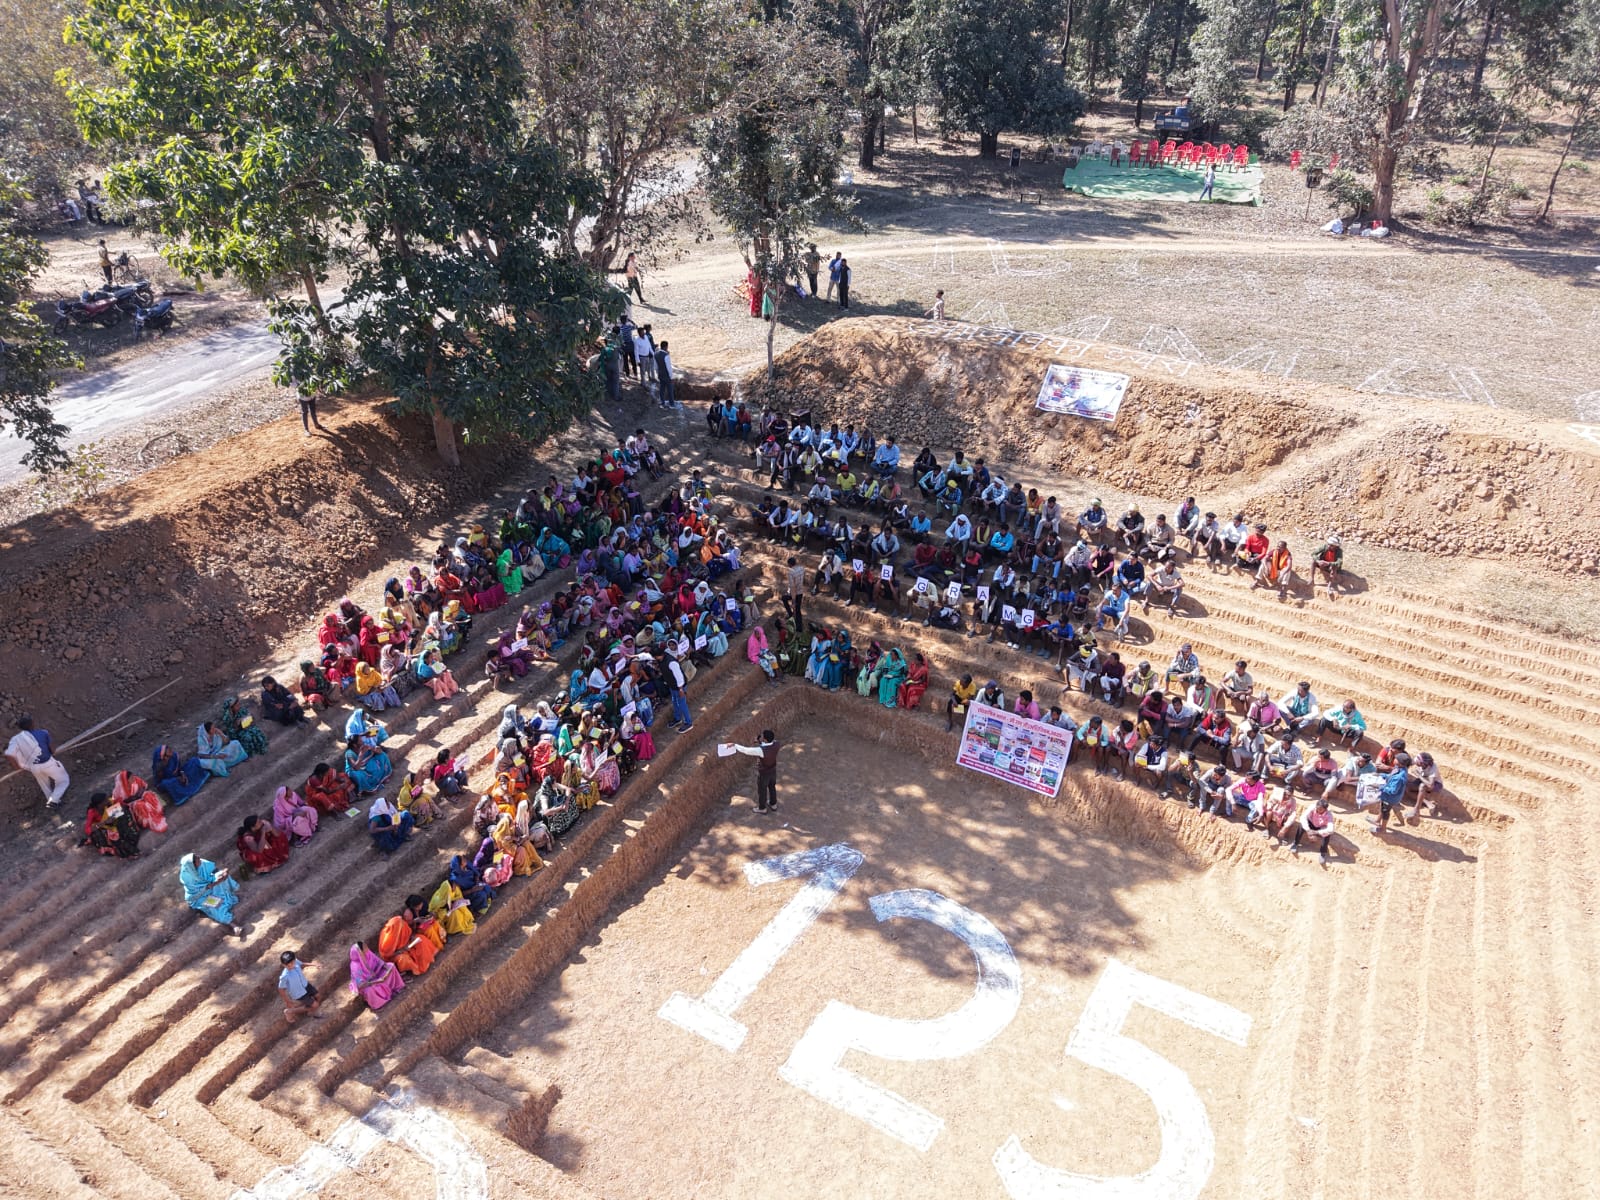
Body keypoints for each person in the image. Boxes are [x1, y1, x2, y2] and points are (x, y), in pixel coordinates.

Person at [6, 714, 70, 809]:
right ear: (32, 724)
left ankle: (53, 802)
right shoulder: (43, 733)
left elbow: (8, 754)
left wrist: (17, 766)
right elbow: (53, 750)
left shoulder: (15, 739)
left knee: (45, 786)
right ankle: (54, 800)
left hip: (34, 767)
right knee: (64, 780)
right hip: (47, 763)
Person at [179, 852, 242, 934]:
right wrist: (215, 883)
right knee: (214, 905)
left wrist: (224, 872)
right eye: (197, 860)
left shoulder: (203, 863)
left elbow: (216, 871)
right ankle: (233, 925)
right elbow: (196, 893)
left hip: (211, 885)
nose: (200, 859)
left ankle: (230, 896)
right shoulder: (188, 878)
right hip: (200, 897)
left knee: (220, 874)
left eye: (198, 857)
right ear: (192, 866)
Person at [729, 730, 782, 813]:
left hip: (764, 773)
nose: (760, 737)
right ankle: (773, 804)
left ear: (765, 739)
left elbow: (746, 750)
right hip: (773, 771)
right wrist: (760, 742)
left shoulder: (761, 750)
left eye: (762, 736)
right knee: (772, 787)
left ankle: (762, 808)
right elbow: (768, 746)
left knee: (762, 790)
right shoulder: (777, 744)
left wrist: (734, 745)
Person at [80, 793, 141, 859]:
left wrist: (114, 815)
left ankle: (130, 836)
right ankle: (123, 851)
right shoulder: (92, 812)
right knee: (109, 836)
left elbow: (122, 805)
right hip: (104, 828)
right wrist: (104, 822)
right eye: (105, 801)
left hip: (112, 823)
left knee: (123, 812)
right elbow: (87, 830)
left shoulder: (109, 802)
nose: (107, 800)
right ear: (99, 805)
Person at [349, 941, 405, 1012]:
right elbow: (361, 985)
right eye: (365, 947)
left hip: (377, 975)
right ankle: (377, 1005)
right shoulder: (355, 966)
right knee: (369, 990)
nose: (367, 947)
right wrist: (376, 981)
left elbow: (378, 961)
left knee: (391, 966)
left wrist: (385, 967)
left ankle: (396, 988)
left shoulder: (368, 953)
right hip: (368, 984)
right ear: (360, 953)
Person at [279, 951, 323, 1022]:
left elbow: (302, 964)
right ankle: (290, 1011)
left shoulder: (295, 961)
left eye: (292, 963)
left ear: (294, 960)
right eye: (288, 965)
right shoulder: (284, 976)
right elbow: (281, 989)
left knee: (318, 996)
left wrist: (314, 964)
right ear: (283, 965)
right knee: (315, 1005)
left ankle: (311, 1011)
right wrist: (287, 1001)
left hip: (306, 985)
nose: (291, 966)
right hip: (299, 993)